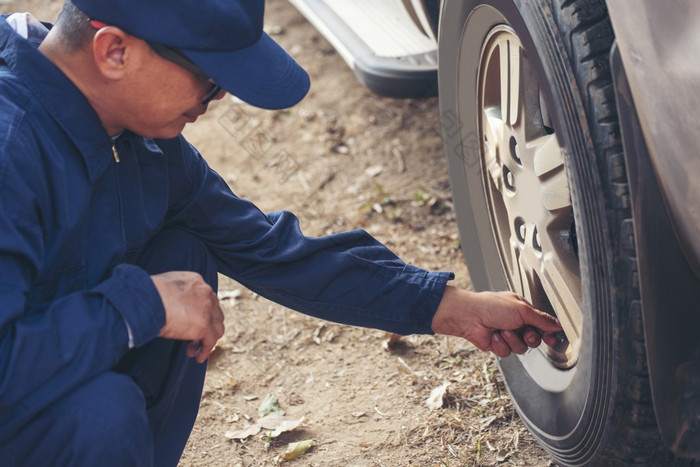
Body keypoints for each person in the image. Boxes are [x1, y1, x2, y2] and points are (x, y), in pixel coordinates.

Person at [0, 0, 562, 465]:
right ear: (115, 50)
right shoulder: (11, 149)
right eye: (210, 77)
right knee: (100, 418)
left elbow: (271, 251)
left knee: (185, 254)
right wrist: (134, 307)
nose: (216, 99)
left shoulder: (142, 141)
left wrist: (450, 307)